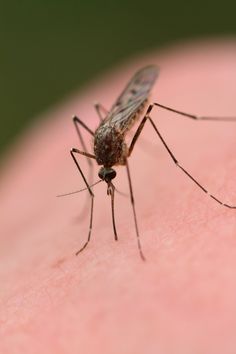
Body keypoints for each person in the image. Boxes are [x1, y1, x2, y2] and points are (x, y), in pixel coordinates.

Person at [1, 39, 236, 353]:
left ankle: (203, 146)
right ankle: (89, 217)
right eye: (106, 177)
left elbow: (122, 123)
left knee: (149, 113)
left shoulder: (113, 150)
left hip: (122, 122)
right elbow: (90, 155)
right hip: (108, 134)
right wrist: (92, 196)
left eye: (106, 178)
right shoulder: (104, 162)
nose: (109, 181)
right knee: (83, 134)